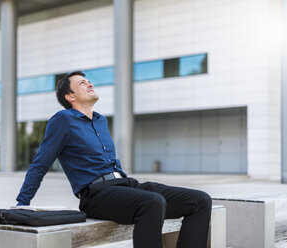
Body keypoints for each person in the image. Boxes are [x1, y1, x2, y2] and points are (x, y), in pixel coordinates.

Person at [16, 71, 212, 248]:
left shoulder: (101, 120)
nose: (90, 84)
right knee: (153, 202)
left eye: (89, 81)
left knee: (200, 200)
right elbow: (40, 163)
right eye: (82, 83)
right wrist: (21, 204)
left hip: (125, 186)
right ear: (70, 97)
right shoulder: (62, 120)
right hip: (95, 195)